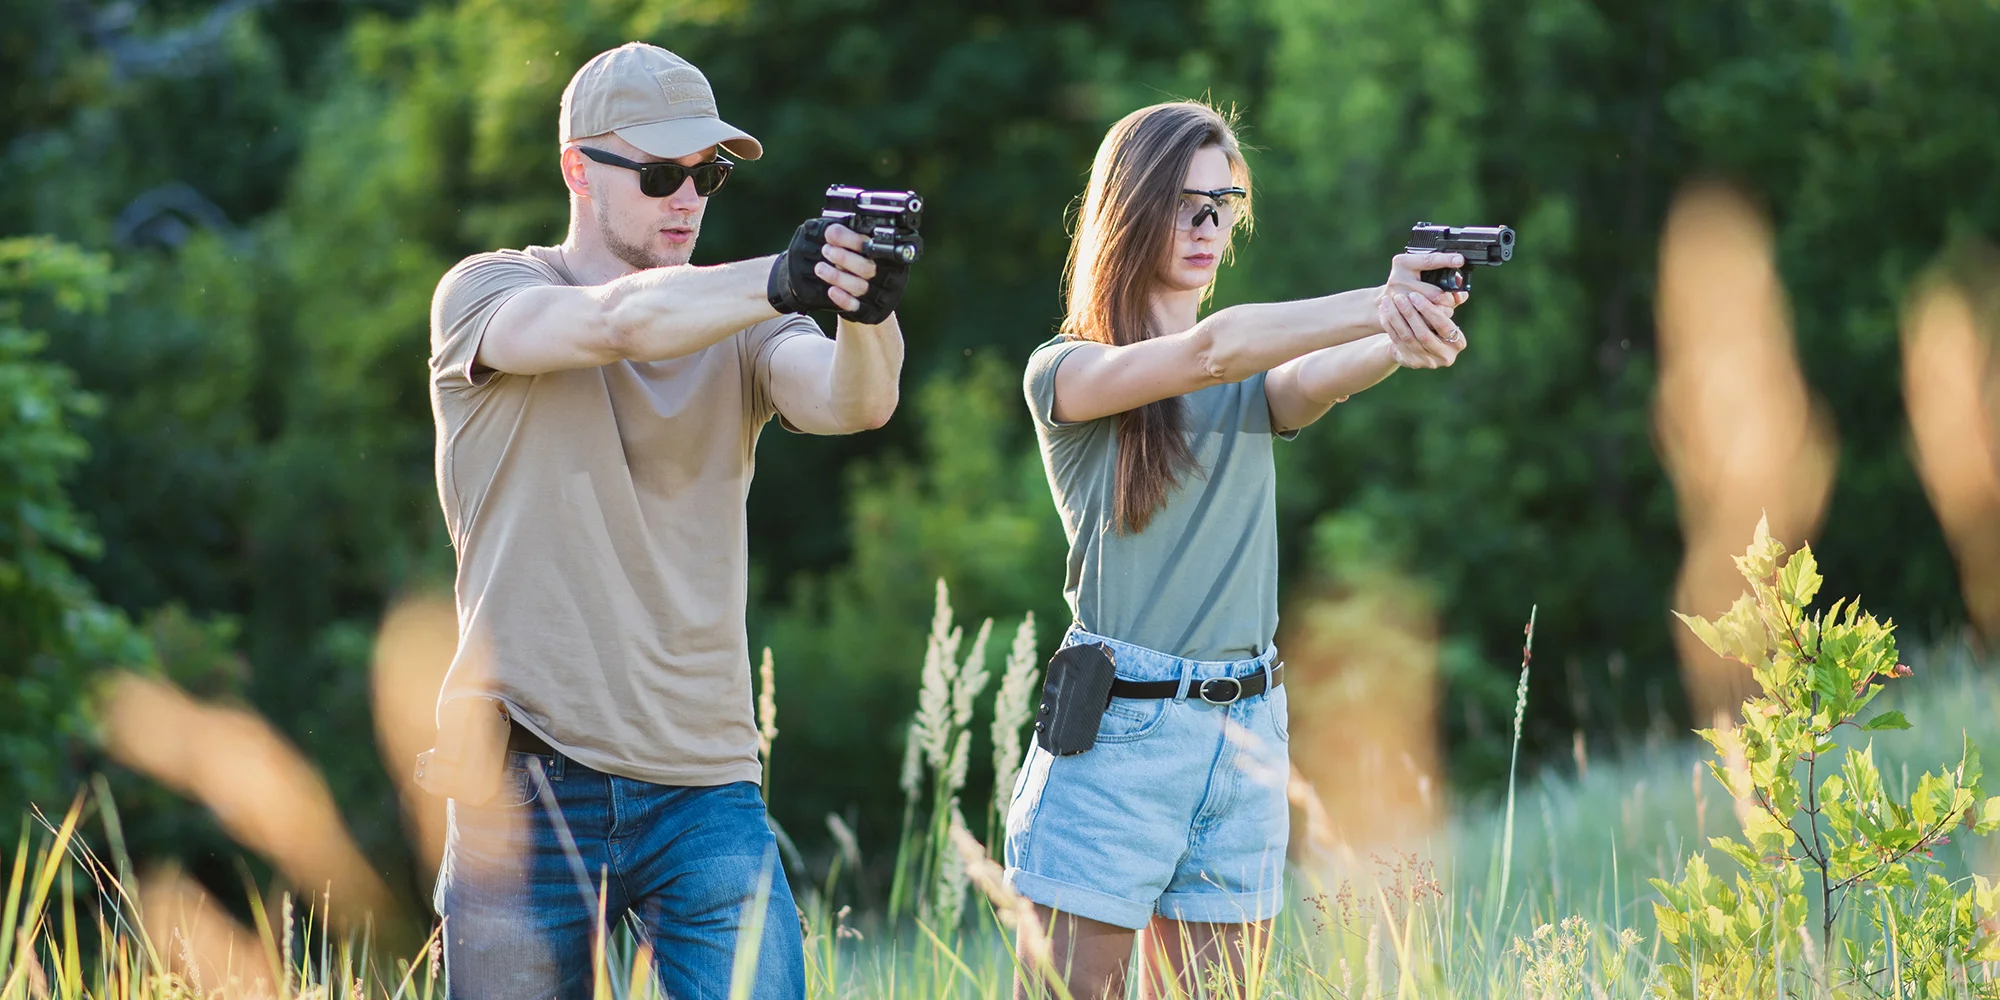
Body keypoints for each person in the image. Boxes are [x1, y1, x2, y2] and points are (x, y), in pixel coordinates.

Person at [422, 42, 910, 1000]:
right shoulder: (485, 294)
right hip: (525, 778)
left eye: (708, 174)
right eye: (659, 174)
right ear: (577, 169)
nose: (688, 197)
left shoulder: (741, 322)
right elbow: (614, 324)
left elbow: (855, 403)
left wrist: (867, 309)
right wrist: (785, 274)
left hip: (706, 784)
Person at [1004, 100, 1471, 998]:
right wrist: (1380, 299)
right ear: (1129, 209)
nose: (1208, 225)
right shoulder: (1065, 370)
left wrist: (1406, 325)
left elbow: (1318, 376)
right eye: (1185, 203)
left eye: (1224, 204)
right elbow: (1214, 351)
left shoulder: (1252, 381)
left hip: (1248, 731)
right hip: (1119, 738)